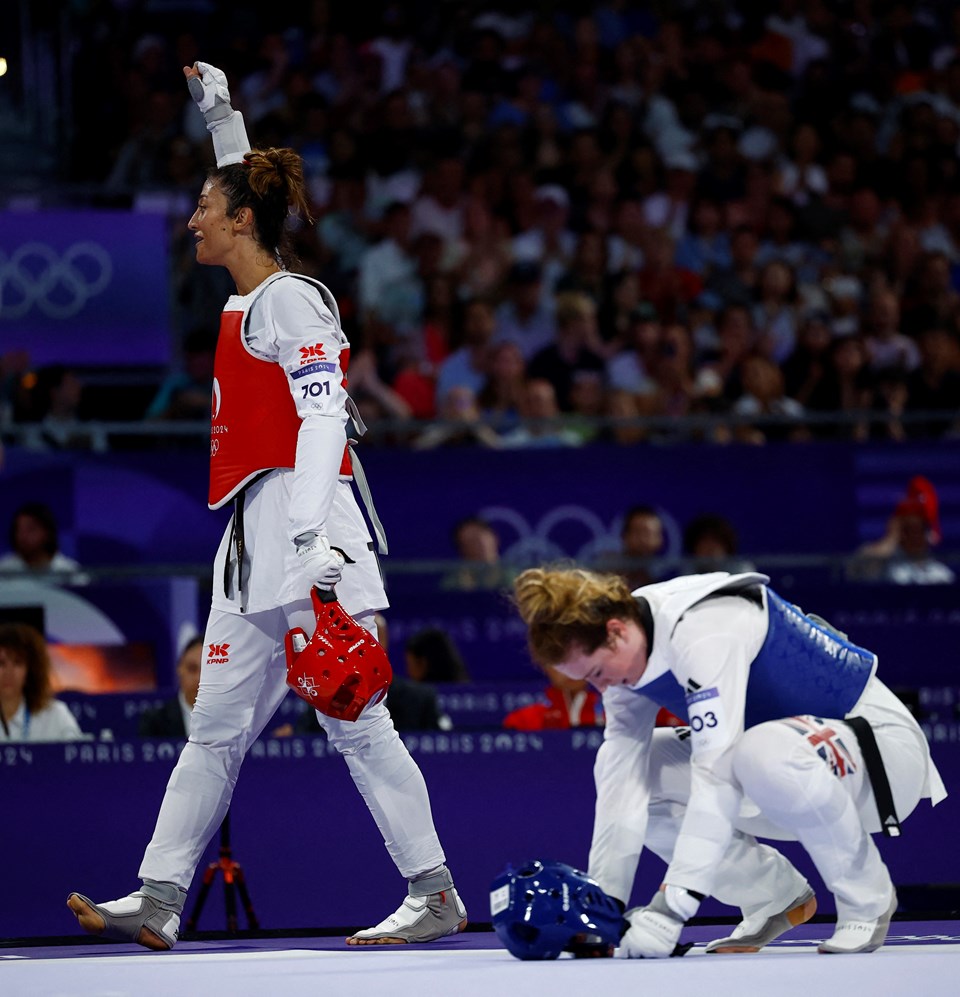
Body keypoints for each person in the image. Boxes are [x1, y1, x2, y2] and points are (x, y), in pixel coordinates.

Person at [67, 61, 465, 952]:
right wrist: (224, 119)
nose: (196, 217)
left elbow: (324, 413)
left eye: (207, 206)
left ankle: (433, 890)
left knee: (355, 719)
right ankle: (160, 894)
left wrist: (314, 536)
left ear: (240, 221)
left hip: (306, 526)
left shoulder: (293, 300)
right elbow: (248, 191)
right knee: (212, 728)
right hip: (249, 538)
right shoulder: (253, 297)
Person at [512, 566, 946, 956]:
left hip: (881, 757)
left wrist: (671, 907)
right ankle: (771, 896)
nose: (599, 687)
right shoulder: (627, 661)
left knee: (759, 751)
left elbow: (715, 773)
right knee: (641, 766)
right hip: (790, 769)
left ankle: (867, 899)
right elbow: (620, 784)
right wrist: (602, 912)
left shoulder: (703, 627)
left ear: (616, 632)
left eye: (595, 674)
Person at [0, 622, 85, 742]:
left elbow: (75, 757)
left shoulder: (55, 715)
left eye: (17, 663)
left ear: (30, 669)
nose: (8, 672)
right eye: (1, 663)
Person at [502, 665, 604, 731]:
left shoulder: (612, 714)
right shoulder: (522, 721)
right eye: (561, 661)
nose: (570, 670)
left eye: (579, 661)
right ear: (545, 664)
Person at [138, 636, 203, 738]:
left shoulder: (230, 719)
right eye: (192, 669)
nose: (198, 678)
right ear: (179, 669)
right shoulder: (154, 722)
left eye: (206, 671)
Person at [0, 502, 82, 574]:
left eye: (30, 529)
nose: (23, 536)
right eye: (19, 530)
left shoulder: (70, 572)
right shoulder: (4, 570)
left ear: (48, 533)